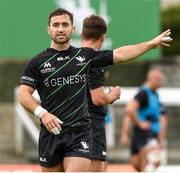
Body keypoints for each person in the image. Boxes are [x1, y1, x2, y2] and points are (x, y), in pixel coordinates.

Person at [18, 8, 172, 172]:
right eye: (56, 25)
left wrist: (150, 44)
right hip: (51, 134)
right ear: (49, 29)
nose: (61, 29)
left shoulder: (84, 56)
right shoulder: (37, 63)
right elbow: (23, 94)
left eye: (65, 24)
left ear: (73, 29)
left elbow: (120, 54)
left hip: (80, 133)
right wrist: (43, 114)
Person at [81, 15, 121, 171]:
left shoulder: (71, 58)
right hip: (91, 124)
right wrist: (113, 95)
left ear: (82, 34)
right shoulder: (95, 60)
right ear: (103, 37)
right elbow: (97, 99)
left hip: (70, 125)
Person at [120, 68, 168, 172]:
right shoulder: (144, 93)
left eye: (161, 78)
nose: (161, 81)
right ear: (150, 78)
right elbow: (129, 109)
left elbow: (162, 119)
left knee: (143, 165)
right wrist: (138, 124)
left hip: (146, 135)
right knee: (149, 163)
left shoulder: (155, 95)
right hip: (144, 134)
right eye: (158, 78)